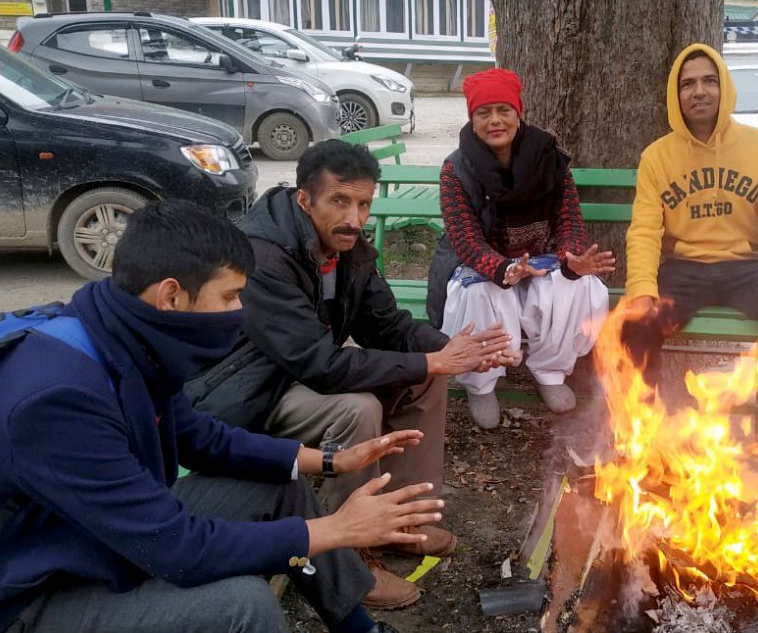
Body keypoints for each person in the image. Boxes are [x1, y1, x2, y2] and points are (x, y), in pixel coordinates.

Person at [0, 200, 447, 633]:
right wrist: (335, 528)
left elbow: (202, 438)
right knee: (241, 607)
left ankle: (357, 626)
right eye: (231, 296)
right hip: (34, 593)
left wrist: (331, 460)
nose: (240, 312)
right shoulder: (58, 400)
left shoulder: (121, 336)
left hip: (98, 535)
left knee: (280, 490)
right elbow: (179, 549)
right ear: (171, 296)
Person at [189, 140, 516, 603]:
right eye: (340, 201)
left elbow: (387, 325)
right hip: (247, 389)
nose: (355, 218)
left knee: (424, 376)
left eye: (364, 204)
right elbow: (317, 365)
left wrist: (454, 352)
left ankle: (400, 522)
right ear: (305, 199)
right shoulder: (264, 257)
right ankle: (348, 556)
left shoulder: (347, 248)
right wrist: (431, 358)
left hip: (296, 375)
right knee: (356, 409)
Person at [623, 43, 758, 496]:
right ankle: (645, 437)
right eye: (688, 84)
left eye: (709, 80)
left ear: (724, 87)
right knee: (636, 323)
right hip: (684, 269)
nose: (699, 91)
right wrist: (642, 287)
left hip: (748, 268)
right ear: (674, 95)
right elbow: (644, 229)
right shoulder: (658, 157)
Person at [426, 67, 614, 429]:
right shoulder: (457, 169)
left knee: (578, 285)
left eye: (504, 110)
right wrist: (502, 269)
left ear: (518, 113)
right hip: (480, 264)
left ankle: (551, 372)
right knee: (481, 291)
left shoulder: (549, 159)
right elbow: (464, 238)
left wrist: (572, 260)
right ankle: (482, 384)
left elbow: (569, 221)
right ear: (472, 118)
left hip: (538, 258)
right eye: (484, 113)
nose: (495, 120)